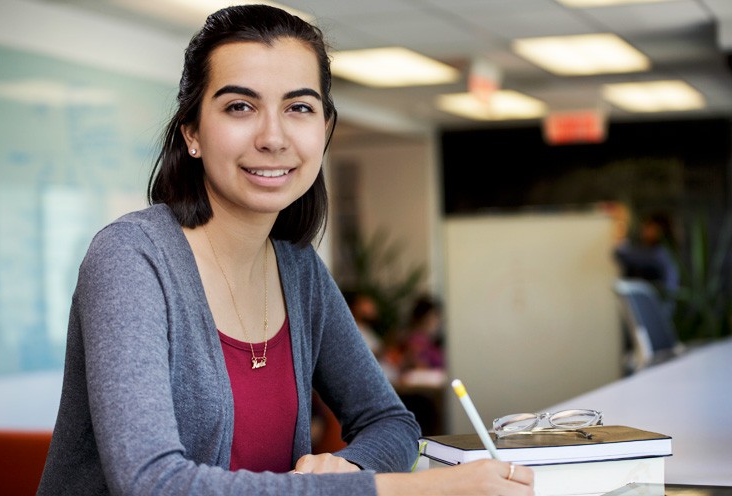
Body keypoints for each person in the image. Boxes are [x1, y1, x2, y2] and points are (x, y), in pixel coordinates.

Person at [37, 5, 533, 495]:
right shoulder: (131, 259)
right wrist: (418, 490)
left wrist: (351, 467)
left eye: (299, 107)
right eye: (239, 106)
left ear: (324, 129)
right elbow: (152, 483)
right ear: (192, 133)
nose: (273, 137)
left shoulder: (299, 271)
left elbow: (389, 420)